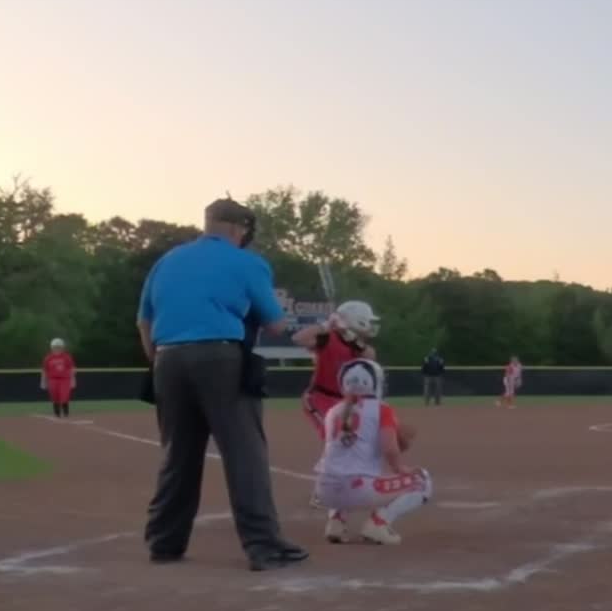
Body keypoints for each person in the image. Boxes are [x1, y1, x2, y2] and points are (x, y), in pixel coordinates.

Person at [136, 197, 308, 572]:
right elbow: (276, 323)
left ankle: (164, 543)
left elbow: (144, 322)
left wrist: (160, 361)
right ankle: (263, 546)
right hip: (220, 358)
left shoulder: (167, 261)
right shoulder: (247, 262)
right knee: (244, 453)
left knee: (177, 455)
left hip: (167, 358)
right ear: (238, 228)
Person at [313, 358, 433, 546]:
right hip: (358, 489)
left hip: (324, 490)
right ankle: (378, 524)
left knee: (343, 470)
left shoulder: (333, 411)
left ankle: (336, 522)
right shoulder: (381, 409)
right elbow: (389, 449)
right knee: (422, 481)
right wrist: (400, 467)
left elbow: (345, 445)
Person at [292, 300, 379, 439]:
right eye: (367, 321)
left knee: (357, 438)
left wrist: (348, 334)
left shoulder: (359, 345)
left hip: (347, 401)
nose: (370, 326)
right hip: (320, 398)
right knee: (334, 435)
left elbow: (370, 356)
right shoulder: (328, 338)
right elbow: (298, 339)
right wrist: (326, 325)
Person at [41, 338, 77, 418]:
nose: (57, 349)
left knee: (64, 395)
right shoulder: (48, 358)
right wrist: (43, 382)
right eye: (55, 347)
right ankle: (57, 413)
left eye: (59, 347)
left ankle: (66, 412)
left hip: (65, 379)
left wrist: (73, 380)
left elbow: (72, 369)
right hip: (52, 379)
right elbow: (44, 371)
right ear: (52, 348)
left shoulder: (67, 357)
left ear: (62, 348)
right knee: (54, 396)